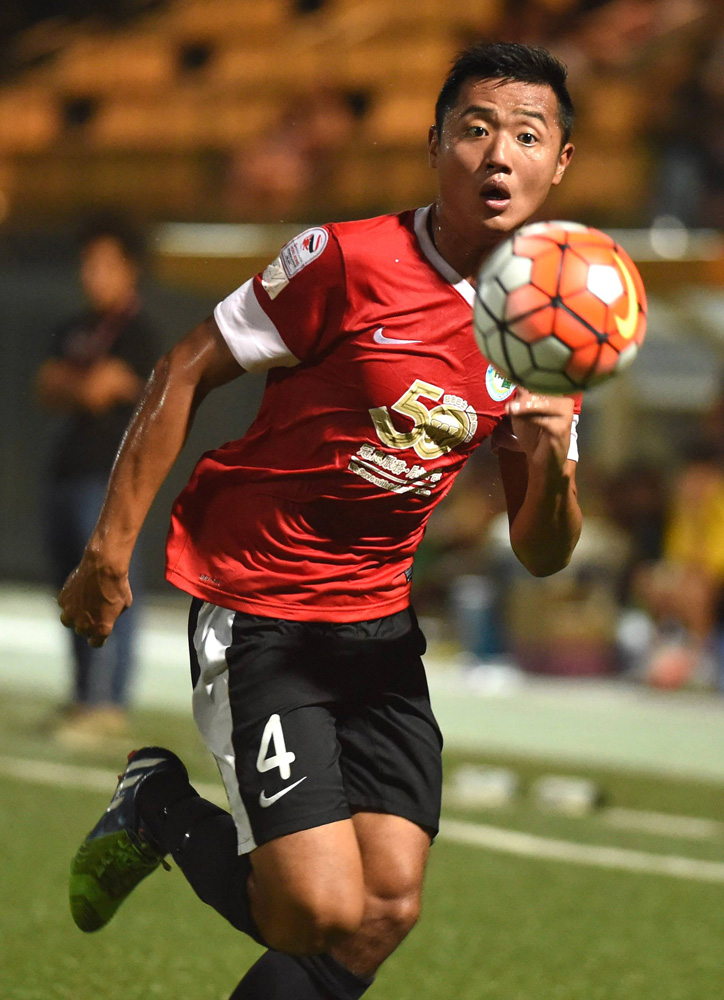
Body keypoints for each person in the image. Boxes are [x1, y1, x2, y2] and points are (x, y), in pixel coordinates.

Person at [59, 42, 582, 1000]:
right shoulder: (347, 259)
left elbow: (542, 552)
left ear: (560, 162)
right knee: (313, 909)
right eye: (476, 129)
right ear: (435, 144)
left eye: (526, 135)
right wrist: (107, 549)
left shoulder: (551, 327)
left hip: (377, 627)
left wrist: (548, 459)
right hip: (262, 607)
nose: (499, 155)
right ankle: (159, 802)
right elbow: (186, 365)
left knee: (384, 910)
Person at [35, 213, 158, 744]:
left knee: (109, 585)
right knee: (72, 592)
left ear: (130, 269)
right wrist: (83, 385)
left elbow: (91, 388)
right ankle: (84, 695)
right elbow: (47, 386)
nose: (92, 274)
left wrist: (78, 383)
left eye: (104, 264)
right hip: (66, 472)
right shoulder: (75, 327)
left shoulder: (139, 332)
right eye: (87, 263)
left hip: (109, 479)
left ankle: (109, 701)